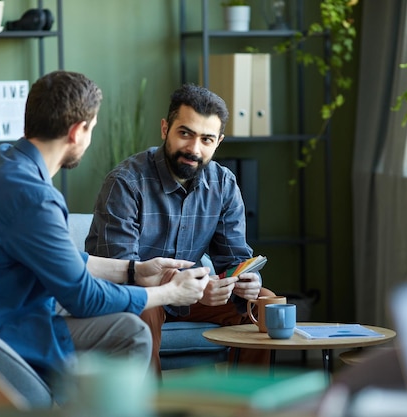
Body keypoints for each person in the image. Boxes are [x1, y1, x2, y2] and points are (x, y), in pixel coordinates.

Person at [0, 71, 210, 390]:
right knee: (131, 332)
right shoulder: (33, 196)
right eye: (92, 128)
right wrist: (169, 293)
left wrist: (135, 270)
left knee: (86, 307)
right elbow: (83, 298)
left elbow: (60, 259)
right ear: (78, 132)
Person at [85, 83, 275, 373]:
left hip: (191, 292)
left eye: (206, 139)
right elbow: (122, 271)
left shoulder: (223, 185)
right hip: (140, 295)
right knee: (145, 307)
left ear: (218, 142)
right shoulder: (126, 182)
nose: (194, 149)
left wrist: (246, 281)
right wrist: (195, 289)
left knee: (266, 304)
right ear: (165, 129)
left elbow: (234, 260)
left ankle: (247, 406)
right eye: (185, 133)